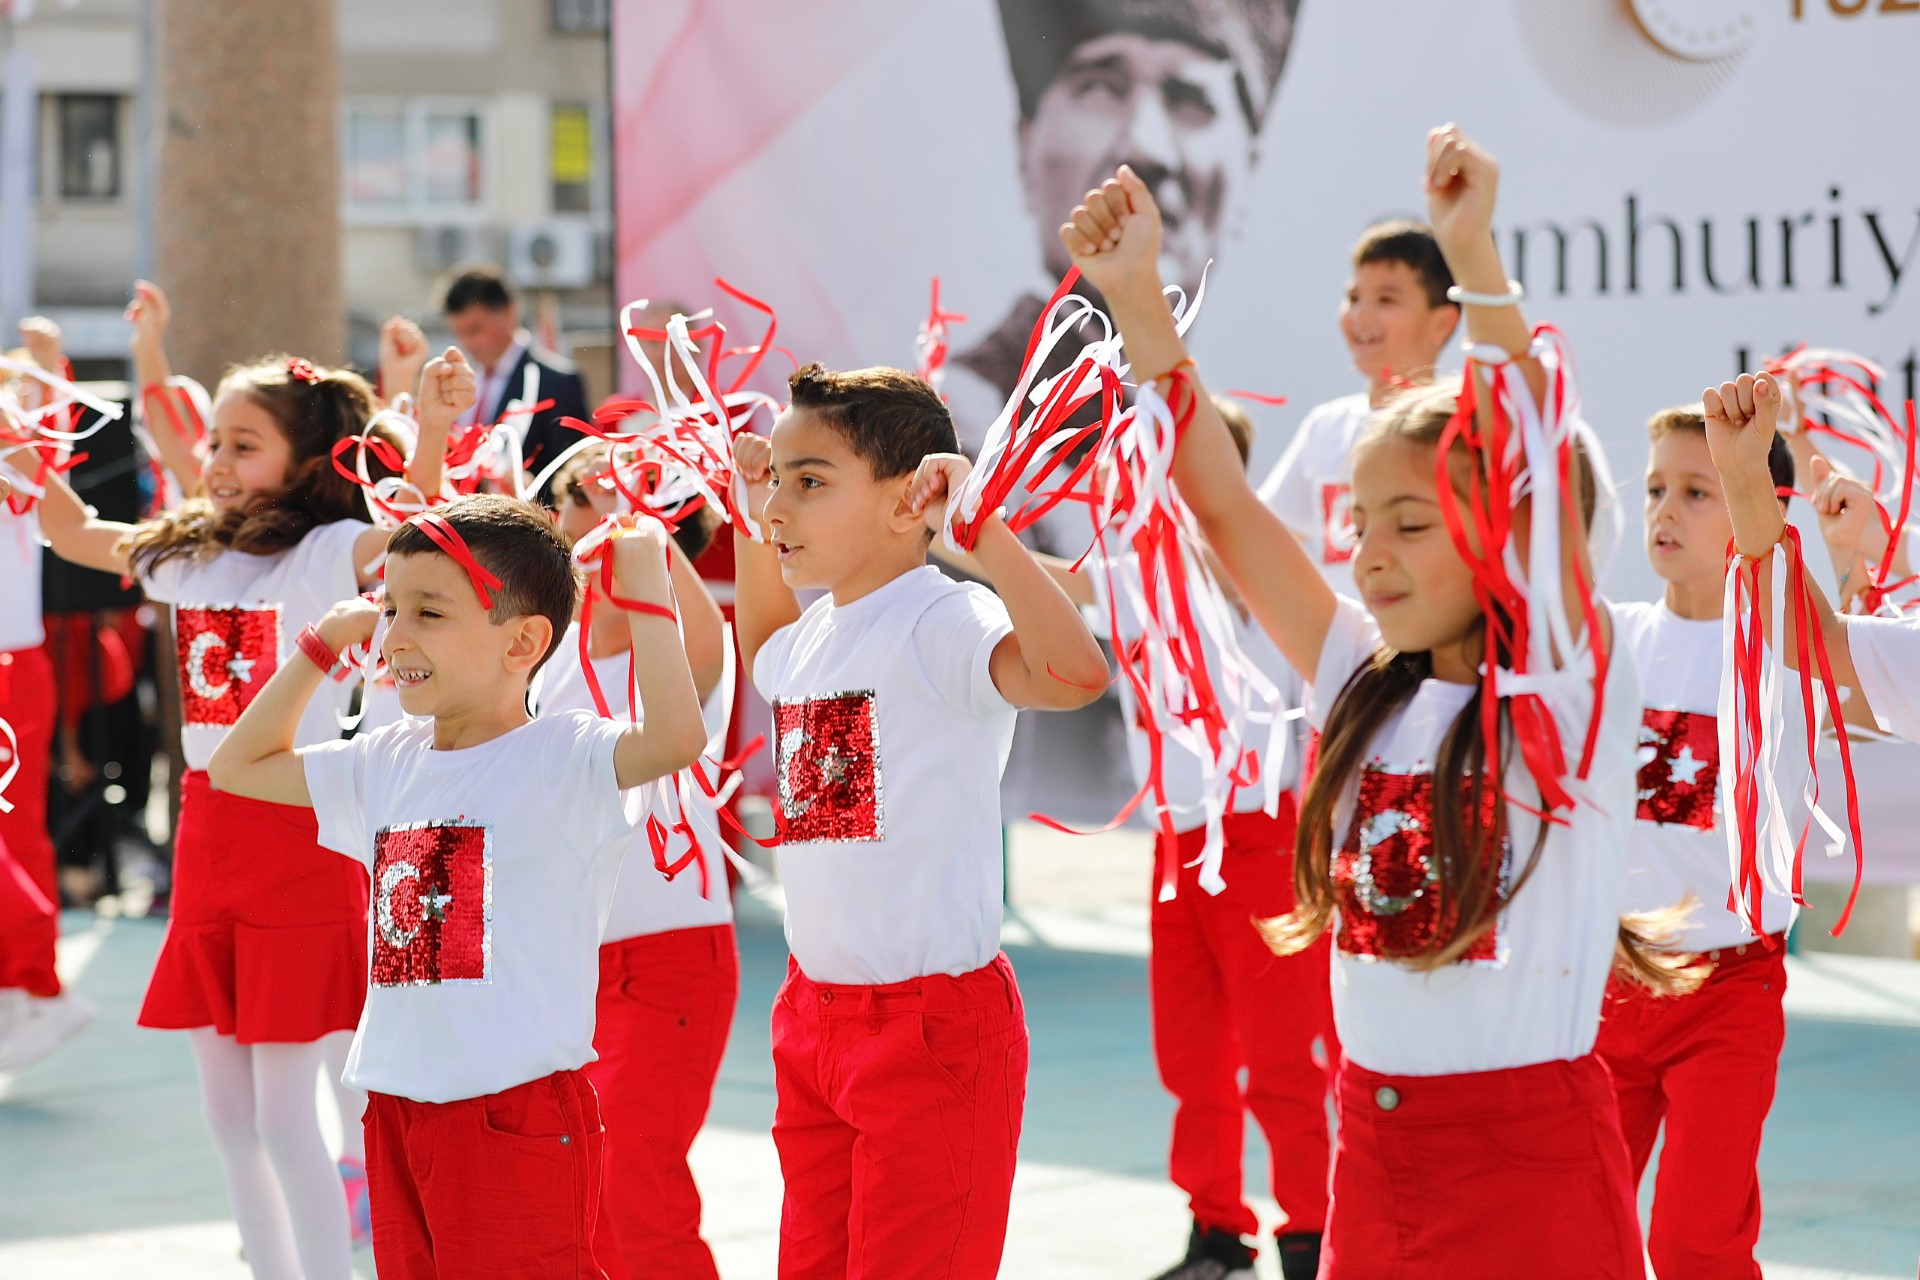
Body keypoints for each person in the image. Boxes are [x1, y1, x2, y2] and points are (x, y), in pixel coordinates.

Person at [1065, 128, 1679, 1277]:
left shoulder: (1564, 689)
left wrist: (1472, 253)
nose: (1373, 555)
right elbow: (1227, 511)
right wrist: (1139, 298)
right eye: (1364, 523)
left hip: (1532, 1168)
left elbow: (1536, 457)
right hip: (1374, 1160)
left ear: (1503, 533)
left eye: (1412, 523)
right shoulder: (1359, 682)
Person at [34, 327, 472, 1278]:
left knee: (283, 1115)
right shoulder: (187, 554)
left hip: (298, 830)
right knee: (228, 1117)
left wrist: (430, 426)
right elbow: (71, 531)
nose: (217, 461)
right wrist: (24, 456)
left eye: (244, 444)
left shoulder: (325, 551)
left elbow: (421, 529)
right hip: (207, 833)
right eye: (214, 442)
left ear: (308, 462)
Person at [207, 493, 708, 1279]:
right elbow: (236, 767)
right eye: (390, 608)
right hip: (397, 1106)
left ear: (524, 643)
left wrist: (647, 585)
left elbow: (678, 738)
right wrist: (321, 641)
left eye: (429, 613)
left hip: (513, 1112)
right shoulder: (385, 757)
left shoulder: (563, 754)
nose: (396, 636)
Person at [730, 363, 1107, 1277]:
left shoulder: (944, 616)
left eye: (808, 481)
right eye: (775, 479)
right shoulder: (816, 632)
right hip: (813, 1018)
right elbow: (764, 650)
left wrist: (985, 537)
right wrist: (750, 508)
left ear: (913, 501)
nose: (780, 505)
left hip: (931, 1031)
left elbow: (1072, 675)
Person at [949, 0, 1302, 829]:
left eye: (1192, 99)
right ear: (1026, 141)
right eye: (1101, 85)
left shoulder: (1240, 474)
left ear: (1250, 160)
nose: (1144, 145)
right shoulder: (969, 423)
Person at [1009, 398, 1333, 1280]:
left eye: (1178, 464)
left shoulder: (1266, 578)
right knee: (1191, 1060)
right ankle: (1218, 1232)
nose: (1149, 481)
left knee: (1282, 1064)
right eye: (1136, 465)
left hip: (1267, 841)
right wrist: (960, 526)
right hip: (1178, 850)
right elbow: (1051, 582)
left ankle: (1310, 1236)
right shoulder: (1140, 579)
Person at [1600, 404, 1803, 1280]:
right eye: (1654, 490)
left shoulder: (1783, 649)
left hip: (1728, 993)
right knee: (1581, 1230)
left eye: (1698, 490)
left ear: (1760, 504)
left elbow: (1777, 570)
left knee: (1692, 1244)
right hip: (1610, 982)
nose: (1665, 512)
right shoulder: (1608, 641)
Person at [542, 446, 735, 1279]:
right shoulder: (542, 653)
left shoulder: (690, 631)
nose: (570, 520)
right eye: (564, 500)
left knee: (635, 1184)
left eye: (588, 499)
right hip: (559, 963)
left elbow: (696, 660)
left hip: (668, 960)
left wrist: (649, 538)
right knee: (573, 1189)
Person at [1256, 223, 1460, 599]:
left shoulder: (1458, 430)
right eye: (1353, 297)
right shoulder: (1326, 428)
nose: (1360, 316)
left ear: (1442, 322)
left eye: (1386, 300)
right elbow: (1260, 544)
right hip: (1341, 656)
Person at [0, 318, 97, 1072]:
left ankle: (34, 989)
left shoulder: (20, 464)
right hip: (17, 666)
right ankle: (27, 991)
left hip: (12, 667)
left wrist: (43, 365)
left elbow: (47, 444)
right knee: (19, 838)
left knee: (19, 839)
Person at [440, 264, 592, 497]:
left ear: (509, 313)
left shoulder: (556, 382)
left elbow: (570, 479)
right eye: (459, 333)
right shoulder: (458, 381)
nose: (469, 342)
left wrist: (525, 489)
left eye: (476, 328)